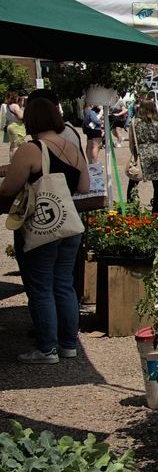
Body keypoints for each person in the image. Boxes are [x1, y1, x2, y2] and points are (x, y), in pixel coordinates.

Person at [0, 98, 90, 364]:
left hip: (41, 224)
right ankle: (68, 344)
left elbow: (8, 188)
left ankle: (46, 348)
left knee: (40, 287)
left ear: (31, 120)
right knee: (63, 284)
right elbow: (84, 186)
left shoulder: (32, 149)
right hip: (69, 224)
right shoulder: (74, 148)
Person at [126, 100, 158, 213]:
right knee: (157, 183)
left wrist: (134, 153)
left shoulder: (134, 122)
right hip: (155, 152)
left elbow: (131, 141)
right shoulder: (157, 122)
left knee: (134, 179)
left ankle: (130, 206)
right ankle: (155, 210)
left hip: (140, 151)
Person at [3, 91, 25, 160]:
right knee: (17, 146)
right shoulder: (15, 106)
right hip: (16, 126)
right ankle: (16, 161)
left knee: (13, 145)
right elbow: (20, 116)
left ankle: (12, 160)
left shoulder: (8, 106)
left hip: (10, 125)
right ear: (15, 98)